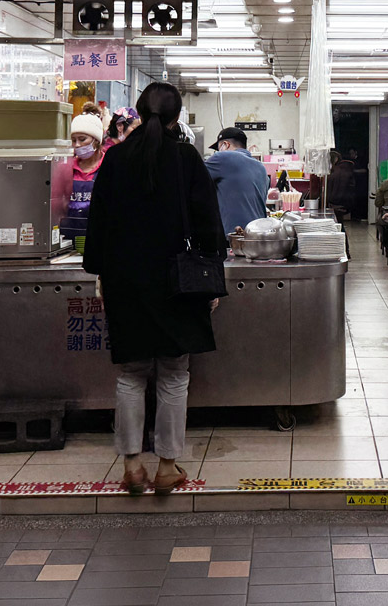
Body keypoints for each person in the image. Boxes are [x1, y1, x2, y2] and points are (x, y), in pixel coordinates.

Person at [83, 82, 225, 495]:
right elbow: (207, 220)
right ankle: (166, 466)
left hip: (125, 278)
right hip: (177, 280)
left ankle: (130, 465)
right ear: (177, 116)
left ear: (139, 114)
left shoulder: (115, 159)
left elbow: (99, 222)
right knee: (174, 373)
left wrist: (99, 272)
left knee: (131, 373)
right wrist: (213, 270)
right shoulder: (185, 158)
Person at [204, 127, 268, 236]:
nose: (217, 152)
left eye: (218, 148)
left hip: (234, 237)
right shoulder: (261, 168)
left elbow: (193, 175)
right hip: (258, 237)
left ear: (226, 144)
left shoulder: (223, 157)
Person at [60, 113, 108, 252]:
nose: (77, 145)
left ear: (96, 141)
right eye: (73, 140)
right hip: (66, 242)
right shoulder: (66, 168)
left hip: (100, 241)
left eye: (82, 139)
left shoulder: (107, 167)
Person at [326, 158, 357, 223]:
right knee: (339, 221)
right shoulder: (348, 172)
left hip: (332, 201)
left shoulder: (334, 173)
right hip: (344, 202)